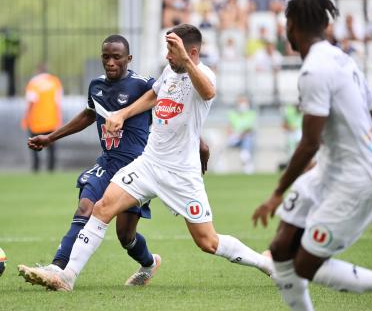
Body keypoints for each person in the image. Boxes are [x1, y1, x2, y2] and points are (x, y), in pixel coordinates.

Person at [36, 24, 273, 292]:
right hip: (149, 163)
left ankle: (266, 264)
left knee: (208, 242)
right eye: (168, 50)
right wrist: (122, 114)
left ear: (191, 52)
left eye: (173, 51)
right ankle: (68, 276)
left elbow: (208, 92)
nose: (168, 56)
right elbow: (153, 94)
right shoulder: (169, 72)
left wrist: (185, 60)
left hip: (181, 173)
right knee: (102, 208)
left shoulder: (204, 74)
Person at [17, 35, 209, 288]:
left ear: (128, 59)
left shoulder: (143, 85)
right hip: (107, 163)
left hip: (138, 168)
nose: (110, 62)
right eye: (105, 57)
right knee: (85, 207)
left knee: (125, 236)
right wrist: (51, 138)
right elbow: (88, 115)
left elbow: (172, 112)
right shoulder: (96, 86)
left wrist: (200, 143)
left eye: (116, 57)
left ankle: (149, 263)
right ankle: (57, 268)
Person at [252, 0, 372, 310]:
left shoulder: (314, 71)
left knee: (304, 265)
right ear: (326, 24)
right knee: (281, 247)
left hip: (353, 182)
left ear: (291, 26)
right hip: (328, 171)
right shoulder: (343, 59)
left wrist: (276, 193)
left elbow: (309, 141)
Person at [21, 69, 63, 172]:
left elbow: (31, 102)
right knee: (51, 147)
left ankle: (36, 168)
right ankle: (51, 168)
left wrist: (26, 118)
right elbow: (58, 103)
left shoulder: (33, 83)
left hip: (36, 122)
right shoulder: (55, 82)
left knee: (34, 146)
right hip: (51, 121)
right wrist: (59, 120)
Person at [227, 96, 257, 174]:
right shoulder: (232, 114)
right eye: (241, 102)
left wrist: (241, 134)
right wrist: (235, 135)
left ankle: (245, 157)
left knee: (247, 139)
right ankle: (246, 158)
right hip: (234, 139)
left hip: (245, 138)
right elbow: (229, 129)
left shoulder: (251, 114)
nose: (242, 105)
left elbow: (250, 129)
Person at [0, 28, 22, 97]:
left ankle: (12, 92)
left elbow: (16, 42)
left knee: (11, 75)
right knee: (7, 75)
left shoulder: (10, 37)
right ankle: (9, 92)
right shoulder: (4, 38)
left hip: (11, 58)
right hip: (6, 57)